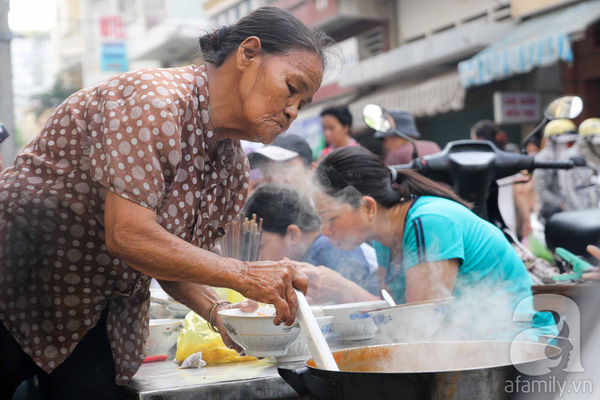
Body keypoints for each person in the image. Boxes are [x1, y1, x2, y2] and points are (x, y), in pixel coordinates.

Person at [0, 7, 330, 399]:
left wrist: (217, 311)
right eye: (291, 88)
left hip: (87, 314)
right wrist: (244, 274)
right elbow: (129, 236)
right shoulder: (154, 100)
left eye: (303, 104)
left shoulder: (232, 168)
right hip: (14, 282)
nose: (292, 111)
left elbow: (169, 256)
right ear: (248, 54)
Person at [312, 146, 556, 341]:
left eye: (331, 218)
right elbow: (395, 315)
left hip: (518, 346)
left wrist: (345, 289)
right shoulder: (382, 237)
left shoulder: (429, 222)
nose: (325, 231)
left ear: (368, 207)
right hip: (471, 344)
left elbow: (419, 331)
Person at [242, 182, 380, 302]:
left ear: (293, 234)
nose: (257, 256)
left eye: (261, 246)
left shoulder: (329, 247)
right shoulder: (317, 247)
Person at [533, 119, 578, 223]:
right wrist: (560, 204)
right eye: (564, 142)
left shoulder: (575, 158)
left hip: (574, 211)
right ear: (552, 141)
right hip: (550, 214)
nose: (567, 146)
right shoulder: (541, 160)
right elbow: (541, 190)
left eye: (571, 143)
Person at [247, 133, 314, 192]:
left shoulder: (321, 204)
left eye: (283, 168)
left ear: (311, 169)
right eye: (265, 170)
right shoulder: (254, 202)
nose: (273, 178)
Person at [558, 118, 600, 211]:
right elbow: (567, 190)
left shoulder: (596, 158)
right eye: (597, 145)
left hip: (596, 211)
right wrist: (580, 212)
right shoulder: (569, 156)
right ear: (586, 141)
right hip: (578, 213)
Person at [376, 110, 440, 166]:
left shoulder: (395, 154)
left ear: (394, 137)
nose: (385, 144)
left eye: (385, 139)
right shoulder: (432, 145)